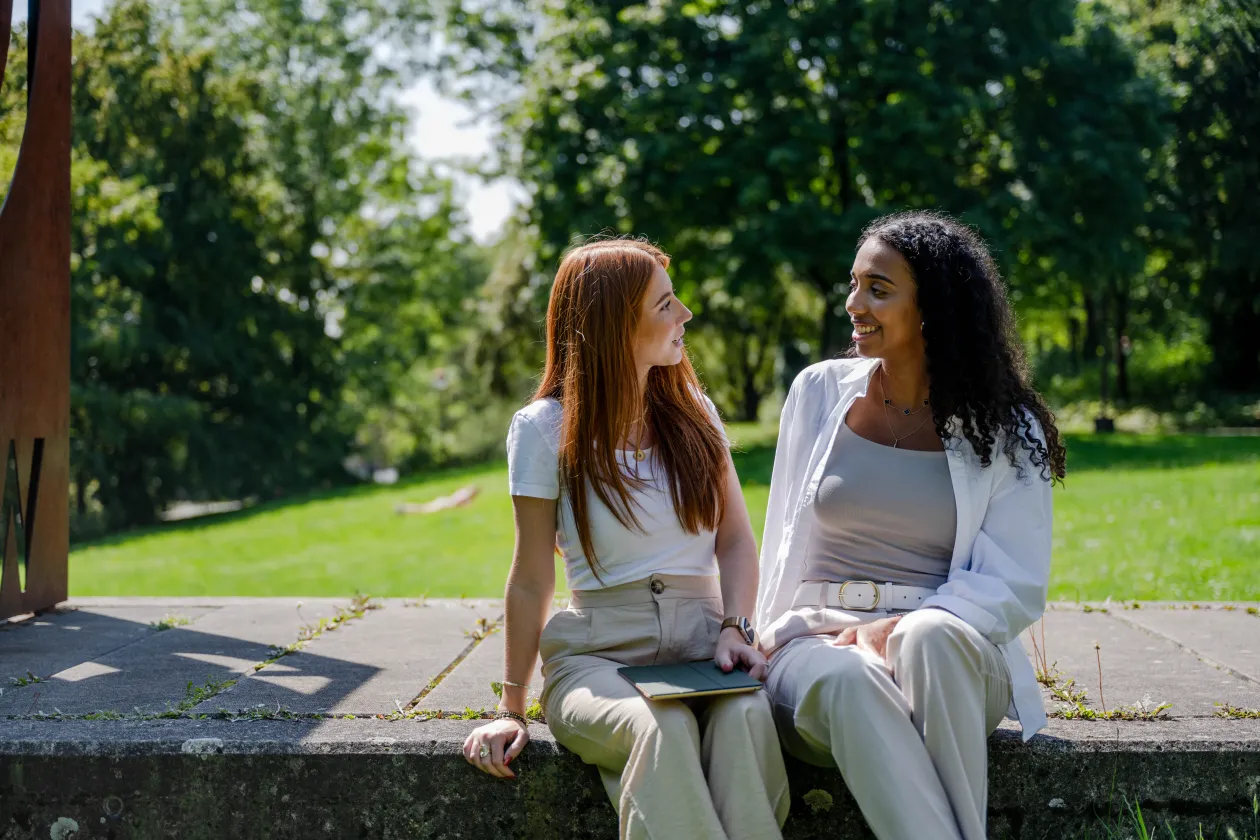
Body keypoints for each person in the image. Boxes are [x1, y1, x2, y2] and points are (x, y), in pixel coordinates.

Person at [463, 237, 789, 840]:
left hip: (704, 647)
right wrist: (511, 708)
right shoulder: (544, 428)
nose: (685, 313)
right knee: (659, 726)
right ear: (615, 325)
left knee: (746, 718)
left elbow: (737, 541)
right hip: (598, 656)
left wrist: (735, 628)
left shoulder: (696, 414)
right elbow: (531, 575)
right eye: (665, 304)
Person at [756, 211, 1066, 840]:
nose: (854, 304)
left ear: (934, 308)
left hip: (949, 655)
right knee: (850, 681)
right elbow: (777, 541)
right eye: (853, 284)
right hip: (816, 647)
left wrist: (898, 628)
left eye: (878, 289)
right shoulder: (817, 393)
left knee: (929, 637)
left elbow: (1015, 581)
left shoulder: (1008, 427)